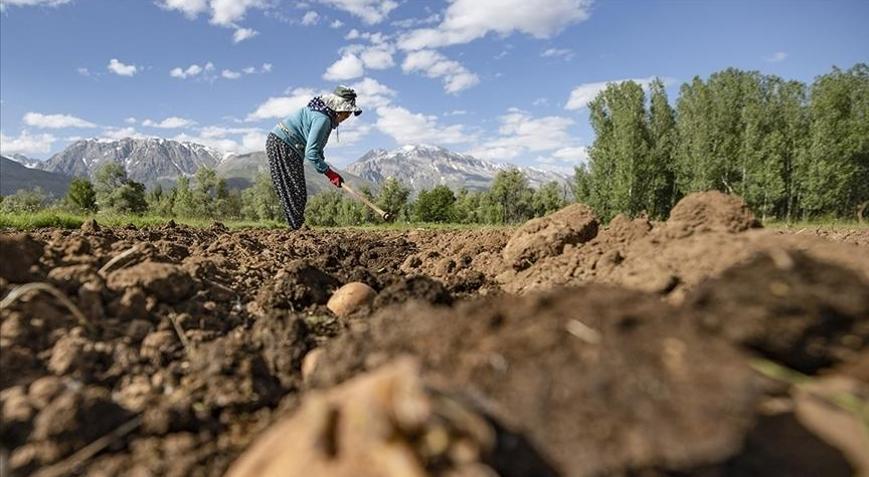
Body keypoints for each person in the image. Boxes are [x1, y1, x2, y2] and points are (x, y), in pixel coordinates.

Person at [266, 85, 361, 229]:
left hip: (286, 144)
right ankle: (297, 230)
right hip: (283, 143)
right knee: (296, 192)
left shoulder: (324, 116)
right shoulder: (323, 119)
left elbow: (317, 148)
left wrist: (328, 171)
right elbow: (311, 153)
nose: (347, 117)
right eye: (346, 113)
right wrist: (329, 173)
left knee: (297, 192)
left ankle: (296, 228)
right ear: (338, 109)